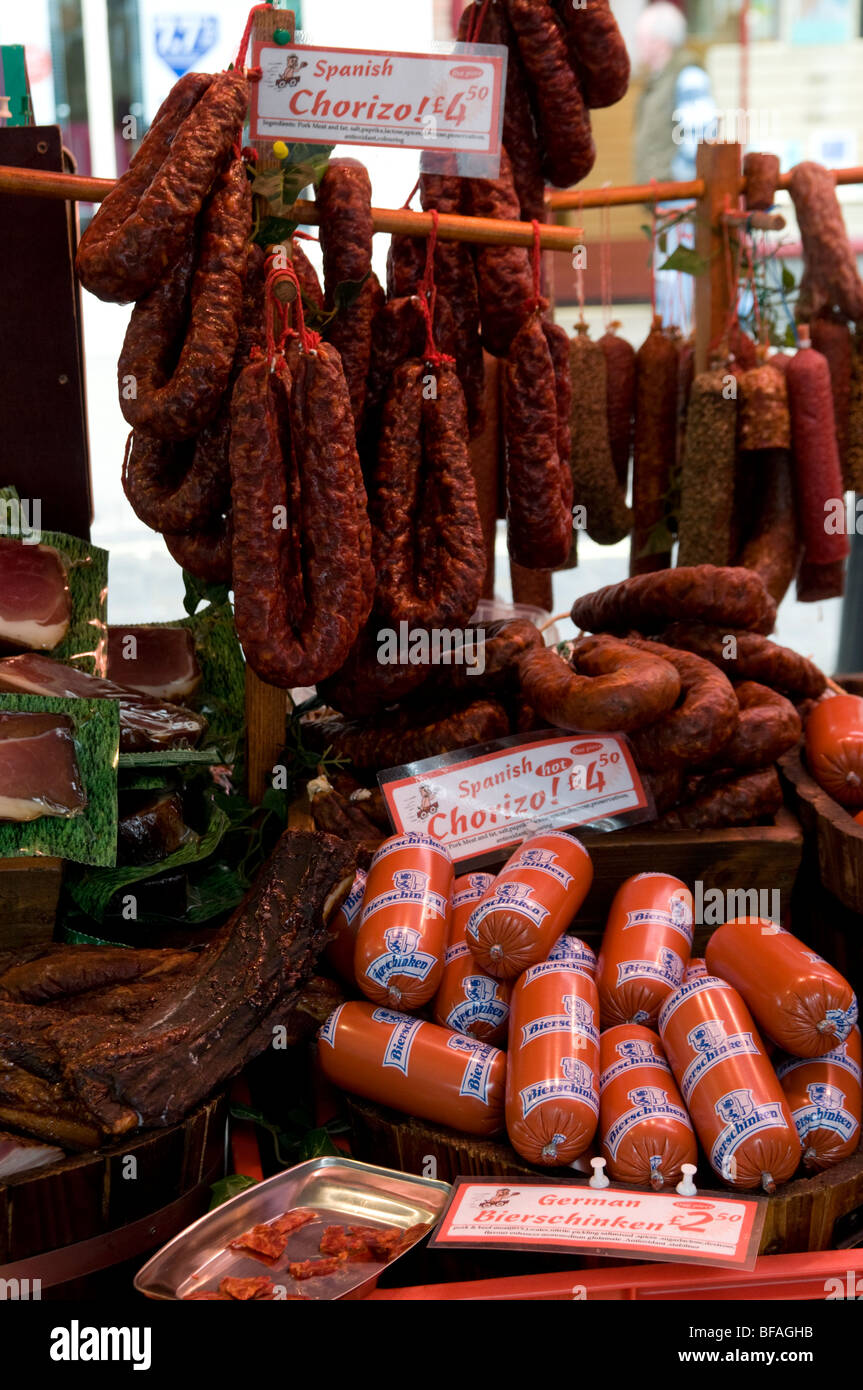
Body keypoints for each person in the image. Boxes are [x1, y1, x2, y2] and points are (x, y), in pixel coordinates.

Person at [634, 2, 716, 328]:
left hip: (679, 200)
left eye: (642, 37)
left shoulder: (687, 74)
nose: (638, 45)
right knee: (670, 278)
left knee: (676, 278)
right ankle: (674, 345)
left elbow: (700, 134)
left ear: (659, 40)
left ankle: (677, 349)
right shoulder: (660, 78)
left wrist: (679, 188)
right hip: (670, 199)